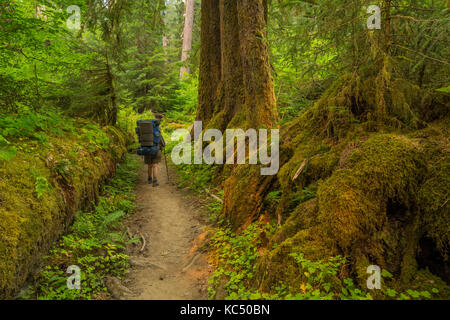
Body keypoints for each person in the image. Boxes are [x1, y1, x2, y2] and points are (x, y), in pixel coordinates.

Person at [144, 114, 165, 187]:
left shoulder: (146, 130)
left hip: (147, 148)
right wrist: (163, 145)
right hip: (156, 148)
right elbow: (161, 140)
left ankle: (149, 179)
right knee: (155, 165)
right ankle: (155, 180)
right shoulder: (157, 130)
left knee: (149, 165)